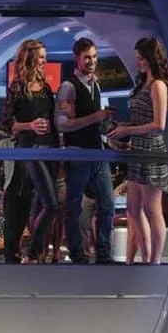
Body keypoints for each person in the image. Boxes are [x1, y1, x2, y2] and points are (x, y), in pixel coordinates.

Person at [108, 37, 168, 264]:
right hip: (137, 150)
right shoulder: (142, 83)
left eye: (141, 58)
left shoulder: (158, 85)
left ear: (151, 58)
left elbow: (159, 124)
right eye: (137, 58)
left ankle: (154, 261)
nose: (138, 62)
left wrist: (129, 130)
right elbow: (138, 119)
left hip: (151, 151)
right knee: (134, 208)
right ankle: (145, 256)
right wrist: (121, 128)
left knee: (151, 209)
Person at [56, 37, 116, 264]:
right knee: (74, 208)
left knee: (108, 206)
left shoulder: (96, 85)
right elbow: (62, 124)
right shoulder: (68, 87)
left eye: (94, 57)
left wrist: (111, 135)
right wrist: (95, 117)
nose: (92, 61)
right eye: (87, 57)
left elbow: (95, 123)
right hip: (78, 154)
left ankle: (103, 254)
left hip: (98, 153)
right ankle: (77, 255)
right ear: (77, 58)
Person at [1, 39, 59, 263]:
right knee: (51, 204)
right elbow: (6, 124)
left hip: (50, 149)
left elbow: (53, 119)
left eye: (45, 56)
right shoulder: (16, 87)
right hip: (30, 149)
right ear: (31, 58)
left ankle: (34, 253)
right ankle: (31, 253)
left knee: (43, 205)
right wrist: (30, 125)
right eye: (42, 56)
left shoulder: (45, 87)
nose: (45, 61)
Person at [0, 135, 34, 264]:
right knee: (10, 223)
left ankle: (14, 252)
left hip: (27, 189)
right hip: (10, 188)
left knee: (21, 223)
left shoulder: (30, 142)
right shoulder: (4, 143)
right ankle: (9, 255)